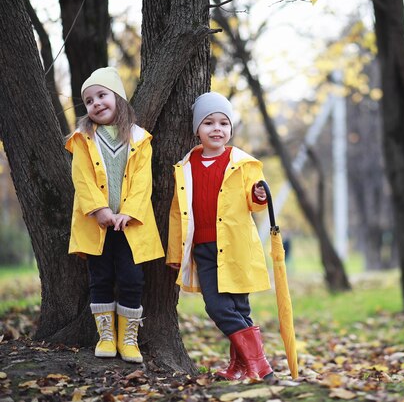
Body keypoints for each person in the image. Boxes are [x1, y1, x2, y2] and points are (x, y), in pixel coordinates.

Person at [166, 92, 274, 381]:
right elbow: (178, 213)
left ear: (230, 129)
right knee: (217, 305)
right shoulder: (186, 167)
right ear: (196, 129)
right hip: (204, 248)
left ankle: (248, 366)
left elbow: (256, 202)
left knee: (238, 307)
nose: (217, 129)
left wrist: (259, 195)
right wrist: (176, 252)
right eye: (209, 122)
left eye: (224, 123)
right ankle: (255, 365)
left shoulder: (243, 164)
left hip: (236, 247)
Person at [65, 67, 164, 363]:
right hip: (97, 224)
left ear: (118, 97)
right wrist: (101, 209)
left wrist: (129, 213)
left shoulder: (139, 138)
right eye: (89, 100)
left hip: (131, 225)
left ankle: (128, 340)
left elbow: (144, 182)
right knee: (100, 278)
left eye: (102, 95)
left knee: (133, 279)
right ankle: (106, 337)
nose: (96, 103)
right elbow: (81, 178)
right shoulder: (83, 138)